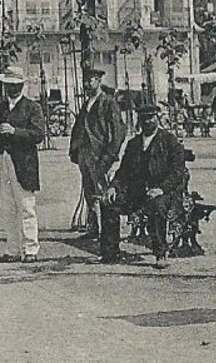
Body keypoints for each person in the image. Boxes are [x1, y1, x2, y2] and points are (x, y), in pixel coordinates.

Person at [105, 103, 189, 269]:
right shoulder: (134, 144)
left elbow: (178, 171)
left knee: (156, 206)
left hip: (165, 192)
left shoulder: (169, 141)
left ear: (157, 118)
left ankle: (160, 253)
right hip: (137, 193)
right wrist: (113, 187)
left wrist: (161, 189)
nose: (147, 122)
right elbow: (123, 171)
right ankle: (110, 252)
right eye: (144, 118)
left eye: (151, 117)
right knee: (108, 204)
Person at [0, 66, 45, 263]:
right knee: (7, 207)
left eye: (14, 85)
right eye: (7, 85)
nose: (11, 89)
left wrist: (14, 131)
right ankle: (12, 250)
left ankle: (30, 249)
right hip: (2, 161)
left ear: (21, 85)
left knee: (26, 206)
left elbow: (38, 135)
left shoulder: (32, 107)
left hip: (23, 162)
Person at [68, 66, 126, 242]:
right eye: (85, 80)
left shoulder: (109, 102)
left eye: (91, 80)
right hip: (85, 154)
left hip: (101, 155)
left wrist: (109, 156)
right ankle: (94, 228)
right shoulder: (86, 104)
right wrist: (75, 150)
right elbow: (78, 128)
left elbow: (119, 132)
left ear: (99, 81)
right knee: (89, 191)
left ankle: (108, 233)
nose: (87, 83)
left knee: (104, 192)